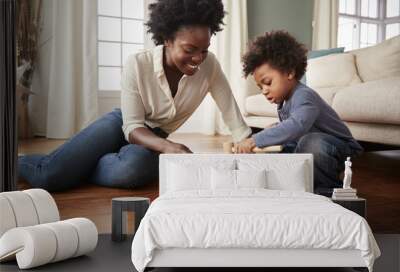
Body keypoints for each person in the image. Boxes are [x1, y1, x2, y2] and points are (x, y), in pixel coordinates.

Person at [18, 0, 251, 191]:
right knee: (48, 177)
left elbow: (232, 113)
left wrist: (250, 143)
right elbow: (132, 127)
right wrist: (169, 147)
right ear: (167, 39)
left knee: (134, 170)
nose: (199, 58)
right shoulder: (138, 64)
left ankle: (76, 169)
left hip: (154, 137)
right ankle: (16, 162)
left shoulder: (209, 67)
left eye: (204, 49)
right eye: (189, 49)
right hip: (121, 125)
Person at [235, 30, 363, 196]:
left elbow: (297, 125)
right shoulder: (283, 102)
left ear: (289, 72)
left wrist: (255, 140)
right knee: (279, 151)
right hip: (308, 144)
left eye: (267, 83)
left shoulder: (304, 95)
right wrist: (271, 132)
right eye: (260, 87)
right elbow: (290, 130)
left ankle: (326, 192)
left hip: (340, 148)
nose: (264, 91)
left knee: (312, 143)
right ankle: (288, 186)